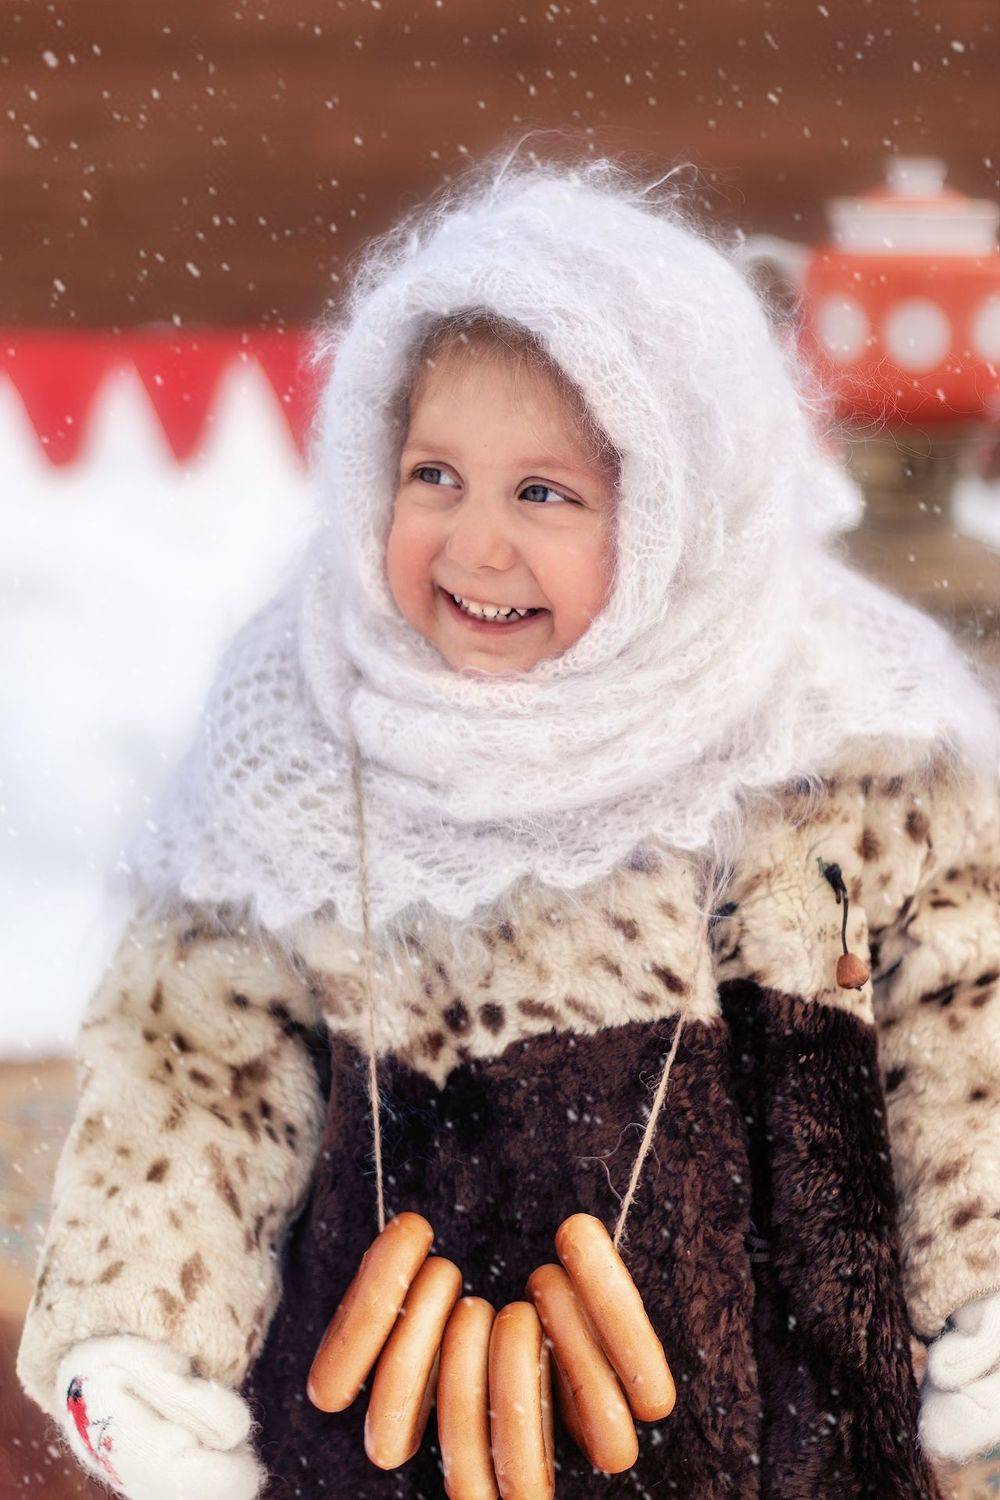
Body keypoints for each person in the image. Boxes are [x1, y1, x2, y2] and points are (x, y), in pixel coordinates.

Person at [16, 144, 1000, 1499]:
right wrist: (137, 1337)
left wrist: (983, 1283)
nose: (477, 546)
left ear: (676, 511)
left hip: (797, 1438)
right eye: (435, 475)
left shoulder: (842, 747)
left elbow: (964, 1015)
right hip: (378, 1437)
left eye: (545, 493)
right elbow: (195, 1065)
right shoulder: (304, 730)